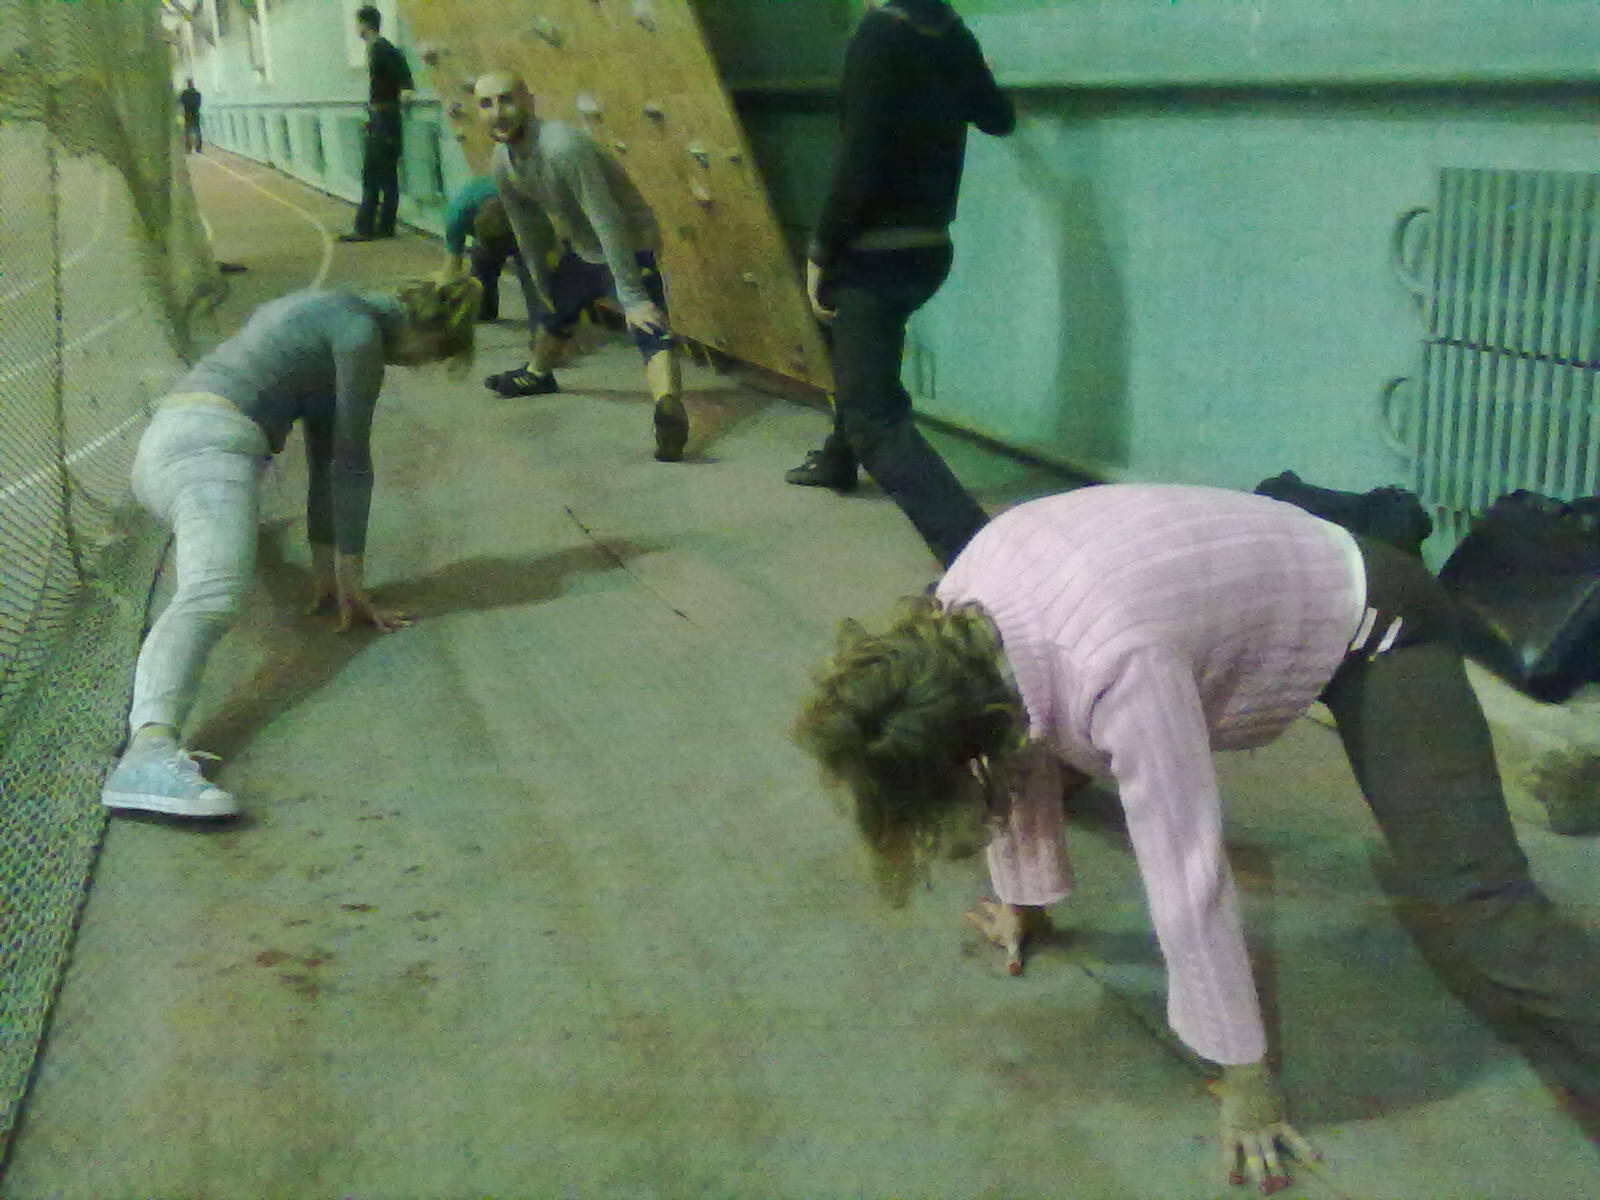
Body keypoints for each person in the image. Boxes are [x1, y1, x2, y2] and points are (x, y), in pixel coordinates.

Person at [795, 483, 1600, 1191]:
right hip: (1266, 565)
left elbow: (1188, 871)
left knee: (1485, 910)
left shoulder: (1117, 665)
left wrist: (1246, 1079)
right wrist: (1023, 899)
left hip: (1381, 621)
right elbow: (1015, 747)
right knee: (1048, 752)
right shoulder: (961, 609)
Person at [100, 275, 481, 820]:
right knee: (213, 592)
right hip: (206, 452)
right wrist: (354, 579)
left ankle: (150, 749)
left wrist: (330, 571)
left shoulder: (335, 309)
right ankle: (147, 755)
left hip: (181, 439)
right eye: (432, 356)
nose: (418, 366)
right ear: (428, 333)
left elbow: (326, 453)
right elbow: (351, 461)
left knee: (217, 580)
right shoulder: (360, 334)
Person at [784, 0, 1014, 568]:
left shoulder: (879, 33)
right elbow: (998, 117)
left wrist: (820, 251)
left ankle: (978, 557)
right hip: (928, 251)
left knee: (873, 416)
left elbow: (857, 157)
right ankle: (838, 458)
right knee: (865, 358)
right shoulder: (951, 32)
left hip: (874, 256)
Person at [471, 69, 688, 463]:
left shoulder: (562, 147)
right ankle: (537, 374)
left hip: (628, 242)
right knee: (556, 312)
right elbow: (526, 228)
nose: (497, 112)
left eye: (506, 99)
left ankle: (668, 409)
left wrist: (632, 295)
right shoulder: (503, 161)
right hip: (585, 246)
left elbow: (607, 217)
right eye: (486, 104)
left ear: (528, 101)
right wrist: (543, 288)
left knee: (648, 322)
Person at [339, 5, 413, 243]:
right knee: (388, 176)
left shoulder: (380, 50)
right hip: (386, 118)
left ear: (365, 24)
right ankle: (385, 226)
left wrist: (384, 109)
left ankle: (364, 228)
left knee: (372, 175)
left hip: (383, 119)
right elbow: (405, 79)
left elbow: (403, 78)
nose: (356, 29)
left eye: (357, 24)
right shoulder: (384, 49)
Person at [442, 175, 544, 326]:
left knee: (532, 274)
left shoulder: (522, 203)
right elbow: (452, 268)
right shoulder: (457, 216)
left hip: (520, 227)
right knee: (482, 273)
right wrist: (447, 306)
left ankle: (542, 320)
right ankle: (483, 310)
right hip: (488, 235)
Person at [177, 78, 203, 154]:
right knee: (197, 131)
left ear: (187, 85)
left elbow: (180, 102)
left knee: (187, 132)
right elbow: (199, 104)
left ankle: (188, 148)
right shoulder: (197, 93)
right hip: (195, 114)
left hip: (187, 114)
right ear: (193, 84)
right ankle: (198, 148)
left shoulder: (184, 93)